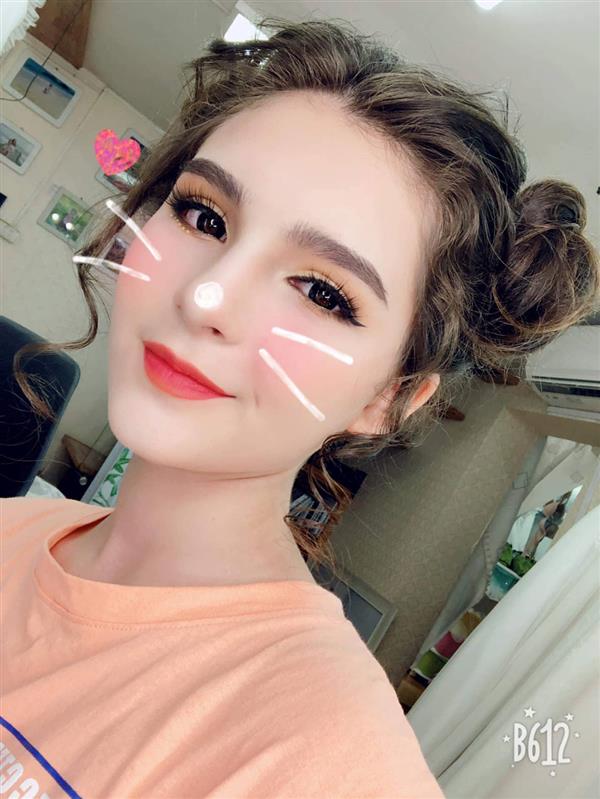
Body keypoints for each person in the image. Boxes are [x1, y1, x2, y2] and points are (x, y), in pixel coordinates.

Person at [2, 16, 598, 799]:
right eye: (205, 216)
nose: (206, 295)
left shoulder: (331, 766)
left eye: (322, 292)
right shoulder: (13, 527)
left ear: (389, 398)